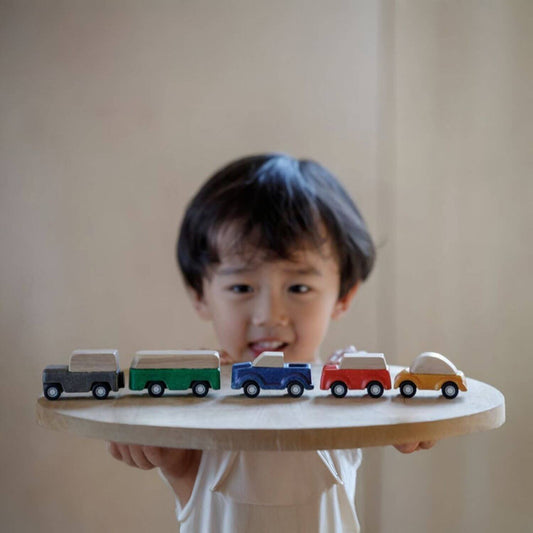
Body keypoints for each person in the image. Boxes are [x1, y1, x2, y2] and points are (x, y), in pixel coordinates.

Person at [107, 153, 435, 532]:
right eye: (242, 287)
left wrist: (412, 419)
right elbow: (184, 471)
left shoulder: (339, 399)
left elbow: (392, 408)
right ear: (200, 294)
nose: (269, 314)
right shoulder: (195, 415)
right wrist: (161, 442)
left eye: (298, 287)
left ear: (344, 295)